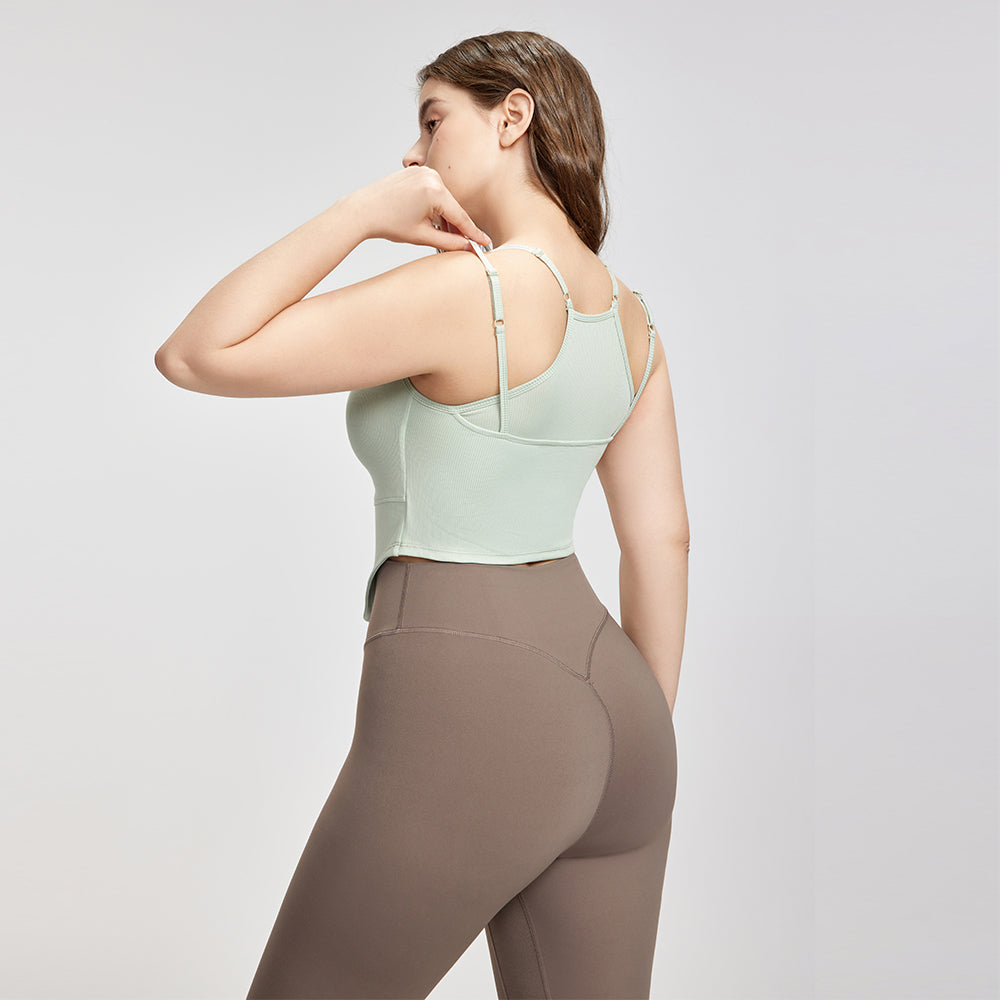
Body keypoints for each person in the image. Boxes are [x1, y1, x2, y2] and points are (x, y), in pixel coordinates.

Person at [154, 28, 689, 1000]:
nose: (413, 154)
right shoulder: (632, 320)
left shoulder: (473, 291)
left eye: (432, 121)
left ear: (512, 116)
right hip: (625, 715)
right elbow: (661, 539)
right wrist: (637, 736)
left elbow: (198, 353)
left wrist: (362, 214)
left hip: (475, 692)